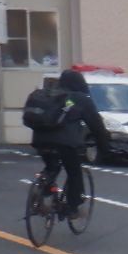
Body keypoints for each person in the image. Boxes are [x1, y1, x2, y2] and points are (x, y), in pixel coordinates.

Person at [29, 69, 109, 221]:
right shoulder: (80, 99)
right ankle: (72, 208)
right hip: (65, 143)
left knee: (51, 166)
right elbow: (96, 126)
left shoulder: (48, 94)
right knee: (74, 172)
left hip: (40, 140)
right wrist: (104, 147)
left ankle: (43, 190)